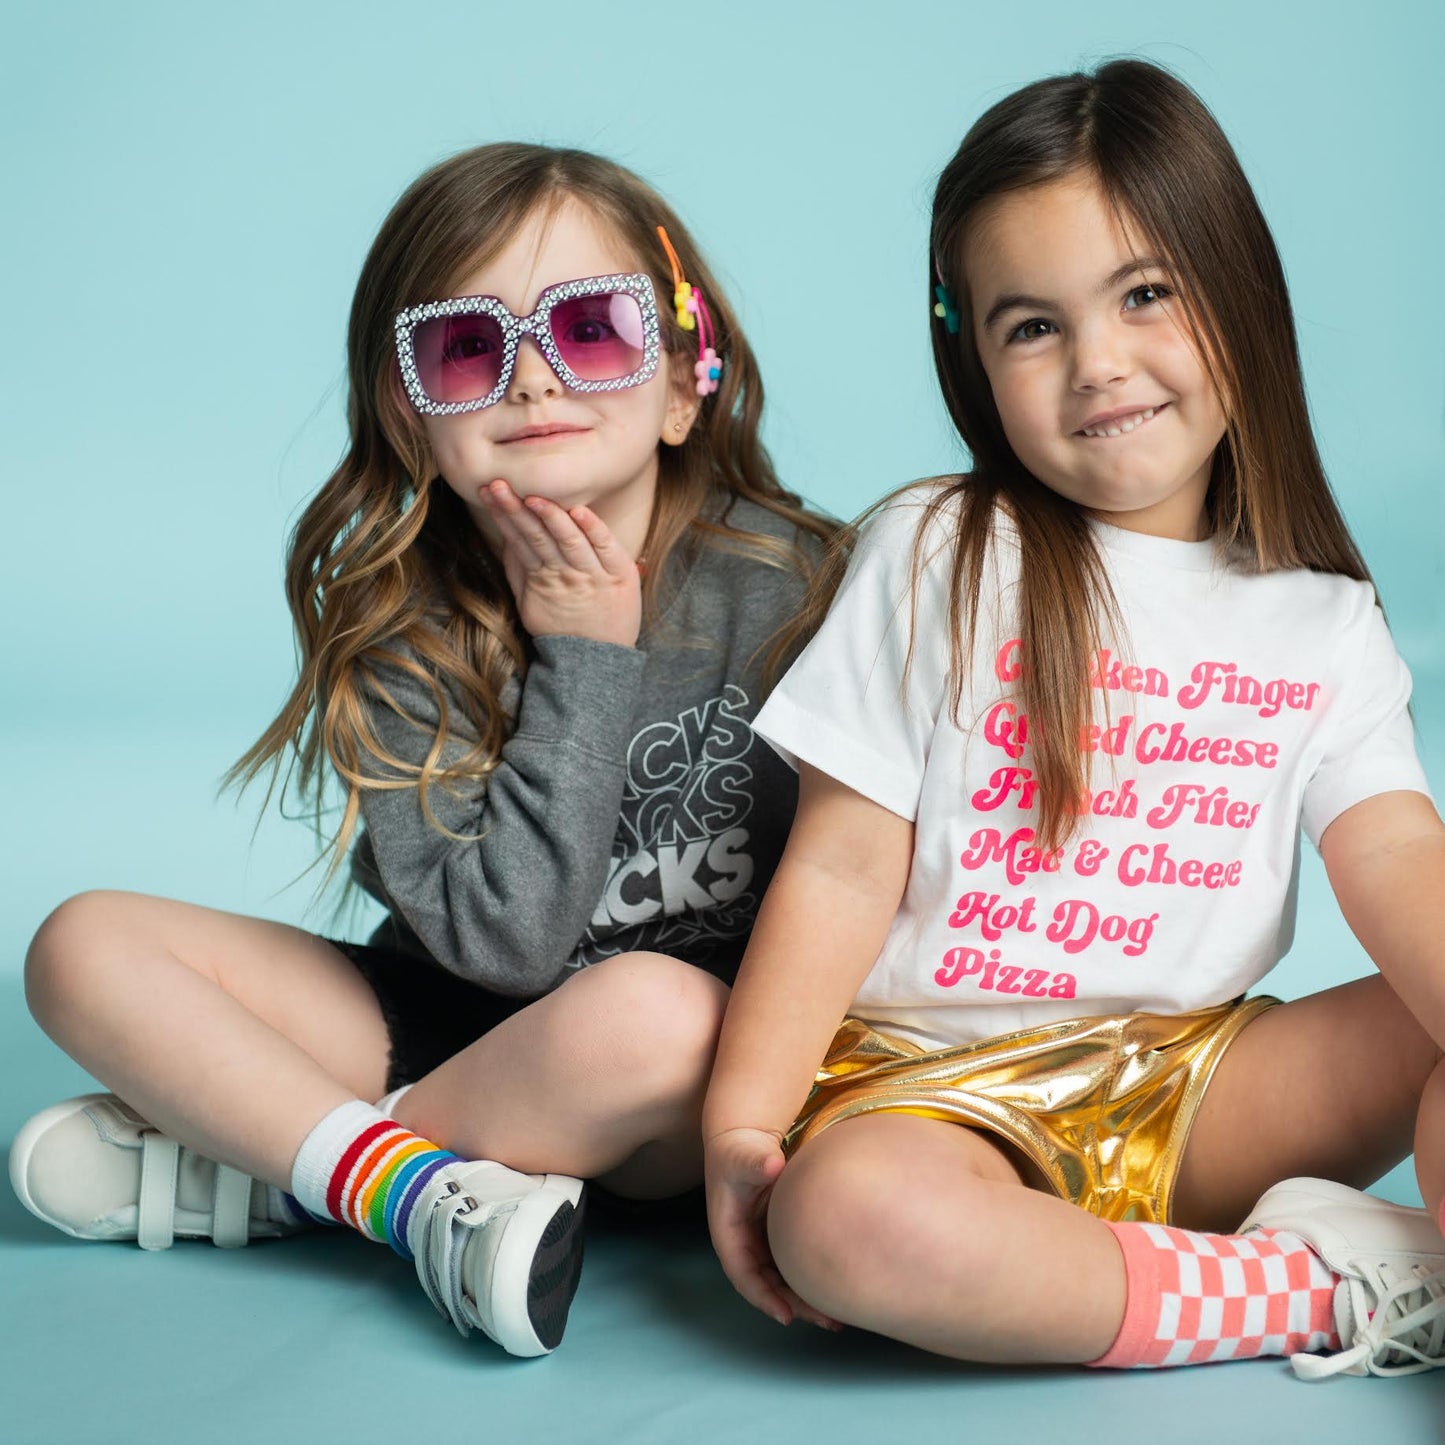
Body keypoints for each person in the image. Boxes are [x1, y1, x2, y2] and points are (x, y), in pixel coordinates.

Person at [11, 143, 833, 1358]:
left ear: (679, 381)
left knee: (658, 1013)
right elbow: (502, 948)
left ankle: (291, 1173)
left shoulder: (804, 590)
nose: (536, 379)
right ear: (412, 418)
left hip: (680, 1083)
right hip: (453, 1019)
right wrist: (585, 660)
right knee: (78, 944)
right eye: (467, 348)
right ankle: (410, 1193)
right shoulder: (400, 626)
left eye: (593, 330)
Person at [703, 59, 1445, 1381]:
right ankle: (1313, 1286)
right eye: (1030, 326)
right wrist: (745, 1122)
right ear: (973, 358)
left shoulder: (1320, 620)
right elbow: (839, 858)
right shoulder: (941, 546)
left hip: (1207, 1084)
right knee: (853, 1221)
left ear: (1240, 292)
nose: (1099, 363)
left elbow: (1393, 858)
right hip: (933, 1090)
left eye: (1146, 293)